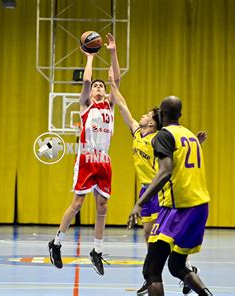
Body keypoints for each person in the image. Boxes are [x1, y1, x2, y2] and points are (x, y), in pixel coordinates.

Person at [109, 79, 206, 295]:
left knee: (160, 242)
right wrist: (113, 86)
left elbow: (171, 164)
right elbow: (123, 107)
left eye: (147, 115)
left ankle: (171, 270)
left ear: (155, 121)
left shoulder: (159, 137)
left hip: (160, 191)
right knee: (149, 236)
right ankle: (160, 272)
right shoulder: (137, 134)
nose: (142, 116)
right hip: (148, 189)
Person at [48, 33, 121, 276]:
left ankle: (96, 251)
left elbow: (117, 81)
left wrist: (112, 52)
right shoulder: (86, 105)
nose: (98, 88)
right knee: (77, 203)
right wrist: (89, 57)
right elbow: (87, 82)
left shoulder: (109, 105)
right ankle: (56, 243)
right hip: (87, 159)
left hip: (104, 161)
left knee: (102, 207)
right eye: (97, 87)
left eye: (102, 86)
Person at [128, 96, 213, 295]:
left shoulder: (164, 135)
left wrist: (139, 203)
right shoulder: (189, 134)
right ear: (180, 115)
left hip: (179, 208)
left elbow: (165, 172)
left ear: (162, 115)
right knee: (177, 266)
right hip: (201, 207)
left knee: (152, 270)